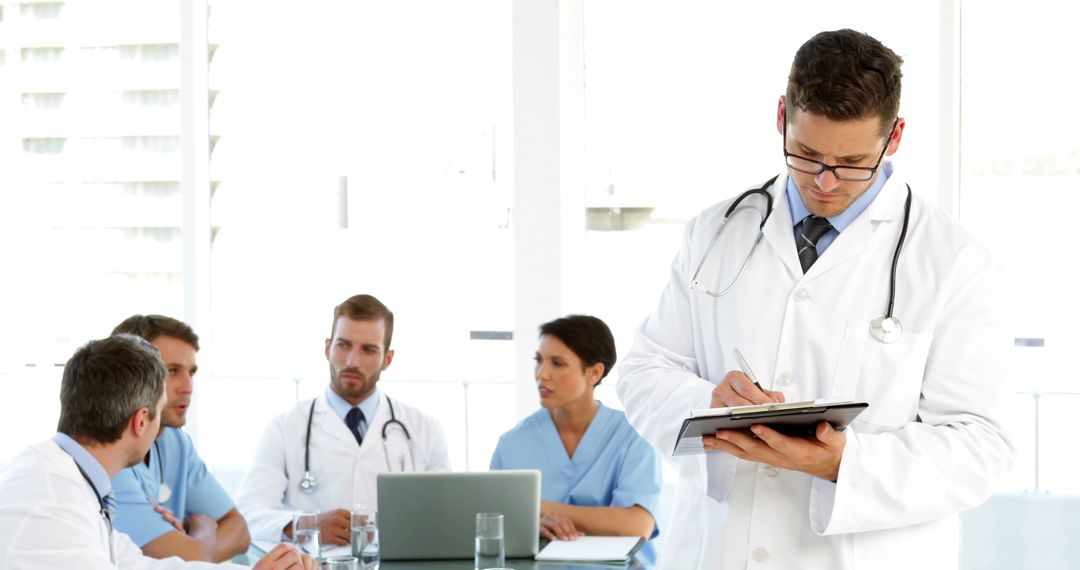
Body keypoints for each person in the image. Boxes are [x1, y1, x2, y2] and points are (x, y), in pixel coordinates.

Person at [616, 29, 1014, 570]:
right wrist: (710, 404)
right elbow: (643, 372)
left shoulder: (953, 262)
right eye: (805, 154)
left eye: (851, 162)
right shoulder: (716, 232)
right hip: (720, 550)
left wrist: (844, 463)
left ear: (893, 137)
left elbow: (981, 447)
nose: (825, 181)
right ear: (782, 115)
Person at [0, 334, 315, 569]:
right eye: (158, 411)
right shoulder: (51, 501)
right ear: (140, 421)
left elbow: (141, 566)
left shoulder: (73, 479)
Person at [236, 294, 452, 546]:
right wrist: (306, 525)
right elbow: (247, 514)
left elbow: (444, 518)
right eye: (343, 345)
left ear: (388, 359)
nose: (352, 361)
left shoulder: (425, 429)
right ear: (328, 348)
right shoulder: (284, 428)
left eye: (368, 350)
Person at [490, 315, 660, 564]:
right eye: (539, 360)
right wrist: (532, 523)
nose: (542, 374)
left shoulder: (632, 436)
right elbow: (492, 521)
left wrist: (538, 508)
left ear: (594, 373)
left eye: (557, 363)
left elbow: (637, 525)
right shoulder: (512, 443)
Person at [109, 315, 251, 562]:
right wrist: (204, 527)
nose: (188, 387)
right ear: (133, 374)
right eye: (172, 371)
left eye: (191, 372)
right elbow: (187, 557)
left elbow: (239, 531)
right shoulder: (109, 454)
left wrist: (190, 542)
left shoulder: (175, 441)